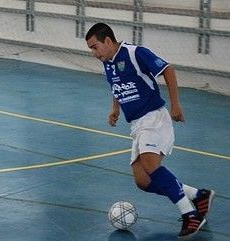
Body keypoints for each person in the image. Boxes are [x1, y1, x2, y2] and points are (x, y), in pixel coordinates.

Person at [85, 23, 215, 239]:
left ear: (108, 41)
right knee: (143, 181)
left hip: (154, 118)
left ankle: (190, 214)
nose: (93, 53)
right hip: (137, 124)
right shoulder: (108, 62)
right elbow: (117, 85)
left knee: (150, 164)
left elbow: (168, 70)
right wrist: (115, 109)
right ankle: (198, 196)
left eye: (95, 47)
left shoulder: (135, 53)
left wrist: (175, 104)